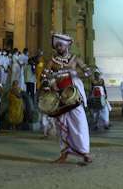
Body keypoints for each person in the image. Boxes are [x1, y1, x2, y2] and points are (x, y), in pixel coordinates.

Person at [43, 33, 92, 164]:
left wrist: (74, 71)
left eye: (61, 45)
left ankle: (85, 152)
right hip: (58, 95)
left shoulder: (75, 59)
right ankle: (64, 153)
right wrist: (52, 83)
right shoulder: (52, 61)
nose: (59, 47)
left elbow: (88, 72)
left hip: (74, 94)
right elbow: (45, 76)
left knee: (80, 122)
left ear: (67, 46)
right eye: (57, 45)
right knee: (61, 125)